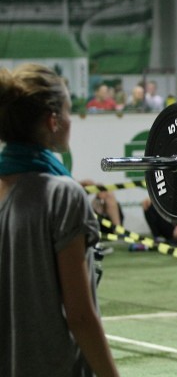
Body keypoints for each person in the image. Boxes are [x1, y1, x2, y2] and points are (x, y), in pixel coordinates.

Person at [0, 63, 119, 375]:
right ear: (53, 121)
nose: (71, 121)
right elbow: (80, 316)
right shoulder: (62, 195)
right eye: (68, 112)